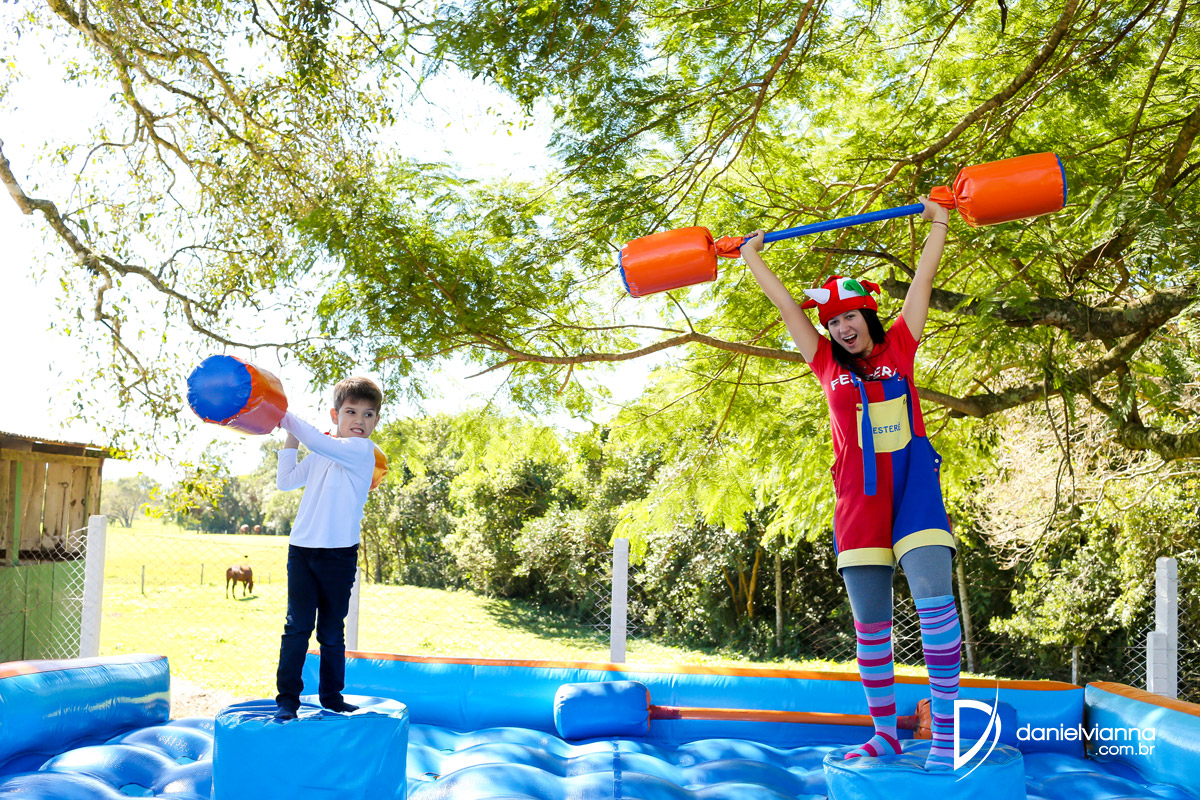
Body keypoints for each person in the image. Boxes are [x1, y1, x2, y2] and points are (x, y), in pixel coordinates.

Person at [740, 199, 962, 771]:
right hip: (859, 500)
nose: (841, 328)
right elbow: (786, 306)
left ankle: (945, 734)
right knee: (871, 626)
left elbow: (923, 281)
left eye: (849, 318)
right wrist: (753, 257)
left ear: (868, 316)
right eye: (833, 322)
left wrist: (939, 221)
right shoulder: (824, 363)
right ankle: (885, 734)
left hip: (914, 490)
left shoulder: (901, 346)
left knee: (935, 606)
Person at [272, 376, 383, 720]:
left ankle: (332, 697)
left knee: (332, 631)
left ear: (376, 420)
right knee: (297, 627)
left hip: (339, 555)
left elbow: (319, 441)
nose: (359, 420)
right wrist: (290, 435)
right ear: (335, 415)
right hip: (302, 551)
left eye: (367, 414)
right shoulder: (321, 452)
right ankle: (287, 700)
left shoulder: (363, 452)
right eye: (351, 412)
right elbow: (285, 481)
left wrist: (283, 415)